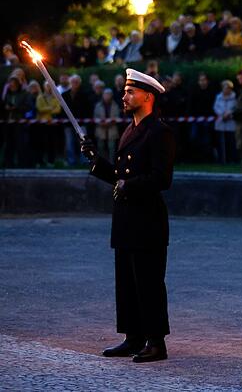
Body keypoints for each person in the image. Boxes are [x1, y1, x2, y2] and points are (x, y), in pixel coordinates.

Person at [80, 68, 174, 363]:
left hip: (147, 219)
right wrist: (97, 162)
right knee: (127, 282)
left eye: (130, 92)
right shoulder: (131, 130)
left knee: (148, 282)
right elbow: (121, 175)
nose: (124, 95)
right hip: (126, 218)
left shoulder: (160, 132)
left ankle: (156, 343)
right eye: (125, 91)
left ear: (148, 96)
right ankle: (133, 337)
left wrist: (128, 185)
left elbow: (161, 178)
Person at [34, 81, 62, 167]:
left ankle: (51, 161)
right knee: (41, 143)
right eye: (47, 86)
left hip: (52, 124)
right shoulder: (40, 97)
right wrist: (50, 108)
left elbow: (58, 109)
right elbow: (39, 108)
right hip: (42, 123)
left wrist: (47, 109)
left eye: (50, 86)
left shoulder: (56, 97)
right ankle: (40, 161)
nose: (49, 87)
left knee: (52, 143)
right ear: (44, 87)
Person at [94, 88, 122, 161]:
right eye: (105, 94)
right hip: (100, 129)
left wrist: (110, 123)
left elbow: (117, 117)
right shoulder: (98, 105)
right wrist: (101, 123)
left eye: (109, 95)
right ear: (103, 95)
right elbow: (95, 117)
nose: (107, 96)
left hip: (112, 129)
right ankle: (102, 163)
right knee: (100, 147)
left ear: (111, 96)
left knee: (112, 147)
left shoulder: (115, 105)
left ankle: (112, 163)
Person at [213, 80, 237, 164]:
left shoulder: (234, 97)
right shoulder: (218, 97)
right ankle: (222, 159)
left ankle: (231, 159)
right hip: (221, 122)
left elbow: (235, 107)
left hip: (231, 123)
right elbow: (216, 107)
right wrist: (222, 114)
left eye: (228, 88)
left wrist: (229, 114)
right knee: (221, 143)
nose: (226, 90)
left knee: (231, 142)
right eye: (225, 88)